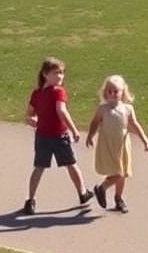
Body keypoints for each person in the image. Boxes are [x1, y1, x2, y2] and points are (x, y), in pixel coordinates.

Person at [20, 56, 94, 215]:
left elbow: (29, 115)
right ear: (45, 74)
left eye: (62, 73)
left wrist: (32, 119)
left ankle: (30, 200)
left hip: (42, 137)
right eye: (56, 73)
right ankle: (82, 193)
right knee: (70, 164)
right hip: (58, 136)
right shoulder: (57, 91)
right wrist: (74, 130)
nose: (60, 76)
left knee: (40, 167)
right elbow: (61, 111)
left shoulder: (37, 93)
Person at [85, 74, 148, 214]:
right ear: (105, 93)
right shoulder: (103, 109)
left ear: (122, 92)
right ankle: (102, 188)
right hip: (108, 145)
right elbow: (95, 123)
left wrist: (145, 141)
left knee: (123, 173)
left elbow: (135, 125)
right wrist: (90, 136)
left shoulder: (127, 109)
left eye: (116, 91)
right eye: (109, 91)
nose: (112, 94)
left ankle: (118, 198)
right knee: (119, 173)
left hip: (122, 145)